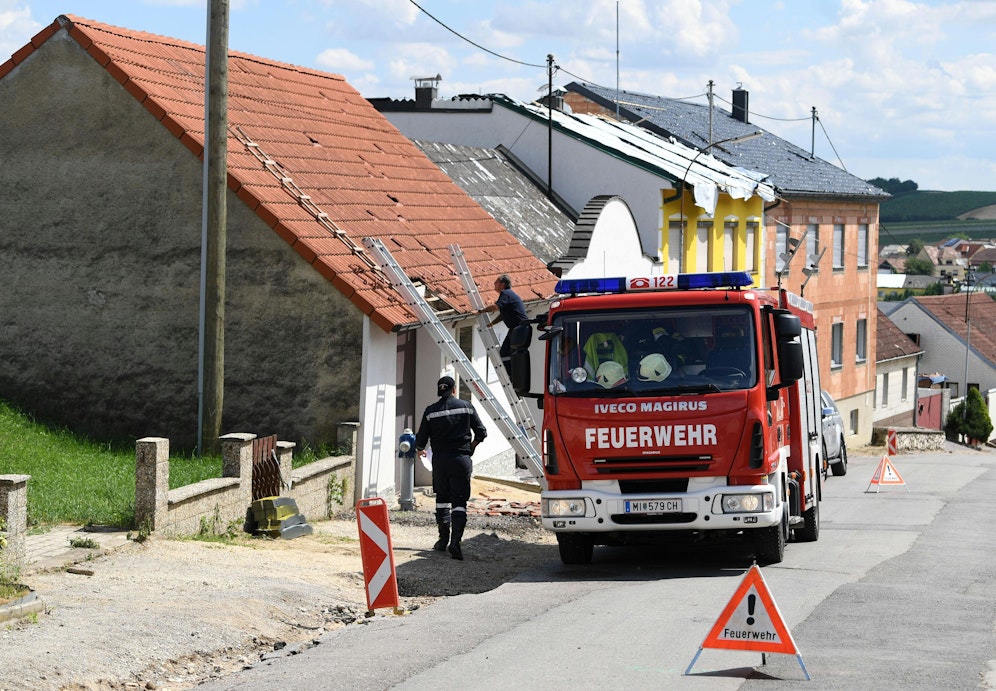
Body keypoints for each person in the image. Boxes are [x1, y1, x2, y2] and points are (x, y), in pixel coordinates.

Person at [414, 375, 487, 561]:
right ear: (454, 389)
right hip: (461, 460)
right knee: (459, 502)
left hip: (440, 462)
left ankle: (442, 540)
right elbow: (481, 432)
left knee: (442, 500)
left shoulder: (430, 412)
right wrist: (472, 446)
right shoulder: (466, 407)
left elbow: (420, 441)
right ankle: (456, 542)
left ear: (440, 391)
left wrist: (420, 451)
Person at [477, 274, 528, 373]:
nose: (494, 284)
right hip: (519, 328)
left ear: (502, 284)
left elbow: (496, 307)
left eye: (496, 282)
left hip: (518, 329)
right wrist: (492, 323)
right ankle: (512, 374)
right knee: (509, 352)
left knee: (506, 353)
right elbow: (503, 314)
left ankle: (510, 375)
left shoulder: (505, 293)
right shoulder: (508, 294)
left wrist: (480, 311)